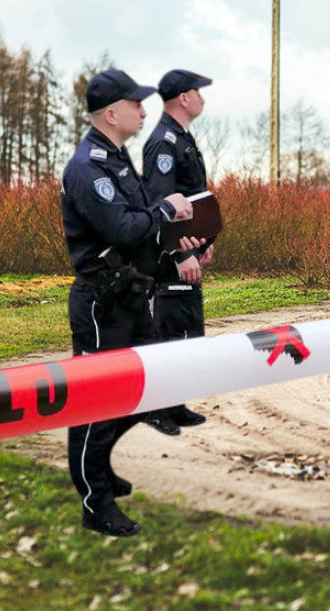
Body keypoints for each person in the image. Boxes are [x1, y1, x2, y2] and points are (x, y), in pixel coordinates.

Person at [61, 68, 203, 537]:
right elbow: (123, 228)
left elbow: (144, 227)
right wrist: (165, 208)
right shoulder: (88, 168)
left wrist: (183, 243)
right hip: (102, 302)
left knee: (139, 395)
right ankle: (95, 501)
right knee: (97, 402)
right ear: (111, 113)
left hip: (132, 295)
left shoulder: (118, 159)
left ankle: (96, 469)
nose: (144, 110)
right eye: (136, 103)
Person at [138, 69, 215, 436]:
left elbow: (193, 197)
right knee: (166, 331)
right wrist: (179, 255)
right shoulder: (163, 142)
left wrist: (204, 242)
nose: (203, 98)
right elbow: (161, 202)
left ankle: (174, 403)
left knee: (186, 328)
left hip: (189, 251)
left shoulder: (182, 137)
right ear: (184, 98)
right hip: (169, 260)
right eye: (198, 92)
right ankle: (154, 409)